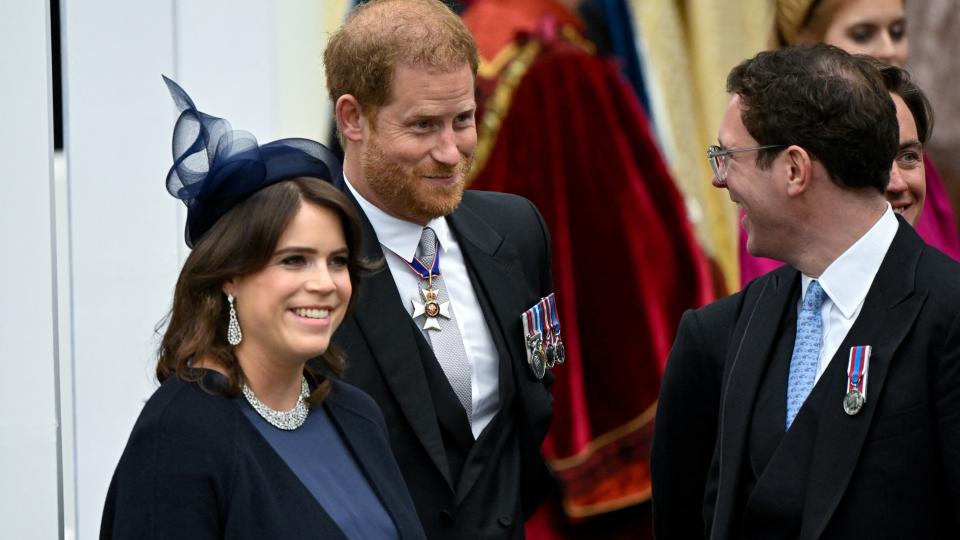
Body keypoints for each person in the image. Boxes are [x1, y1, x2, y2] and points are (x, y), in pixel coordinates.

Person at [652, 44, 960, 539]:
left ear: (795, 169)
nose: (718, 178)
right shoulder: (718, 336)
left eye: (730, 155)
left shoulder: (948, 314)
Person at [100, 77, 426, 540]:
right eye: (294, 260)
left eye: (337, 261)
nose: (323, 284)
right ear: (230, 273)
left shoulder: (357, 415)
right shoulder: (179, 433)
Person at [322, 1, 556, 538]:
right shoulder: (304, 265)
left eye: (463, 120)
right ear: (352, 119)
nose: (451, 152)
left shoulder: (518, 230)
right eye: (423, 125)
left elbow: (535, 392)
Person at [739, 0, 960, 285]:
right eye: (863, 34)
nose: (889, 50)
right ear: (810, 46)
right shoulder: (779, 188)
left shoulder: (916, 165)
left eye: (896, 31)